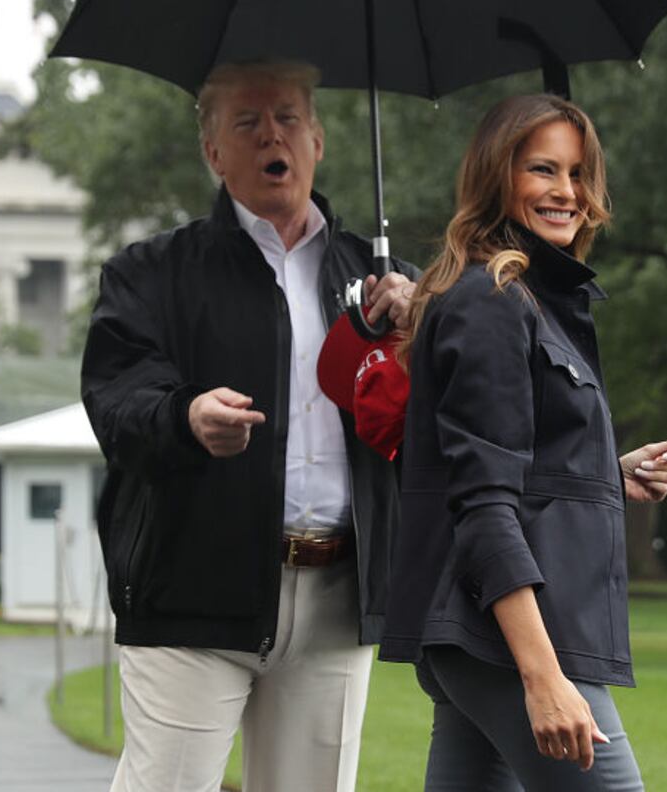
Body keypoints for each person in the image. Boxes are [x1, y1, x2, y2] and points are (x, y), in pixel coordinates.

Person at [81, 60, 418, 792]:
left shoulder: (381, 282)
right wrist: (184, 415)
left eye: (289, 118)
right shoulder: (150, 273)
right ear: (214, 153)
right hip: (190, 594)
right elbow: (116, 399)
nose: (274, 136)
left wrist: (420, 335)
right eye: (248, 122)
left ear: (318, 140)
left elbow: (428, 431)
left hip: (335, 599)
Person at [380, 94, 667, 791]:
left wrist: (607, 475)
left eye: (578, 173)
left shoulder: (534, 300)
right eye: (542, 169)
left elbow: (518, 467)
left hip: (482, 629)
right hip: (505, 631)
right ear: (497, 176)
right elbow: (482, 503)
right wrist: (543, 676)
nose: (566, 192)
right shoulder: (493, 300)